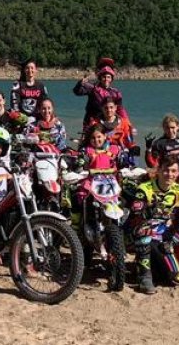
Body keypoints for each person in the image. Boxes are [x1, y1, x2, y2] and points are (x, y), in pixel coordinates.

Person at [126, 156, 179, 294]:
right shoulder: (144, 188)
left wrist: (173, 241)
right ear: (159, 170)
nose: (170, 174)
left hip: (164, 236)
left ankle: (153, 265)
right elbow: (136, 216)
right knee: (145, 233)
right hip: (140, 232)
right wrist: (147, 215)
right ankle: (144, 277)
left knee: (178, 279)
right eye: (166, 170)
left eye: (174, 171)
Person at [76, 124, 125, 291]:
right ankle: (82, 235)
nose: (97, 140)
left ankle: (117, 244)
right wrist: (80, 163)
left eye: (99, 137)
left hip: (110, 183)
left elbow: (123, 158)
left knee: (122, 204)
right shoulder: (87, 151)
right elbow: (81, 161)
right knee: (81, 198)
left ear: (105, 137)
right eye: (93, 138)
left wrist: (127, 160)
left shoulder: (113, 149)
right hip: (92, 183)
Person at [72, 58, 129, 127]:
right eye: (104, 77)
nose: (106, 79)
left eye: (108, 77)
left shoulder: (115, 93)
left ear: (111, 79)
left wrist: (127, 123)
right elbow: (77, 92)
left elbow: (120, 109)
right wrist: (80, 83)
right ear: (100, 78)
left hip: (109, 123)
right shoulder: (92, 88)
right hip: (92, 123)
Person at [90, 98, 137, 165]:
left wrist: (133, 148)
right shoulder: (95, 123)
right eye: (106, 108)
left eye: (111, 107)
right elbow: (89, 140)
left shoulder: (124, 123)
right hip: (99, 152)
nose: (109, 110)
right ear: (102, 108)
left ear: (116, 107)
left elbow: (129, 140)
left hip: (120, 153)